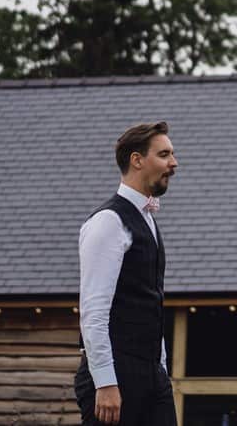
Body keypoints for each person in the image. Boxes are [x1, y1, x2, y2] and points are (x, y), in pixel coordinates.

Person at [75, 122, 179, 426]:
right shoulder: (108, 221)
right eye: (164, 154)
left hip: (152, 376)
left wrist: (160, 368)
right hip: (115, 376)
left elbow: (150, 304)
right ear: (137, 160)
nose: (174, 163)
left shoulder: (147, 219)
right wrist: (105, 382)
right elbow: (93, 312)